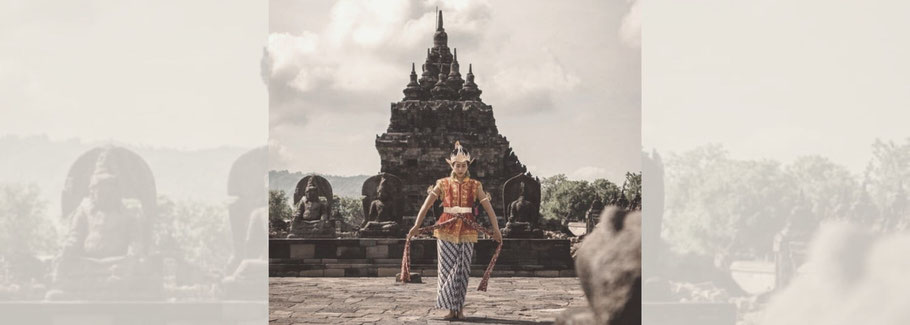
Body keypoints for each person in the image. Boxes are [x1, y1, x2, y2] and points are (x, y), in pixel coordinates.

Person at [407, 141, 503, 321]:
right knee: (446, 270)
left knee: (462, 270)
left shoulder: (476, 185)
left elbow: (489, 208)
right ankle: (450, 309)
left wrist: (496, 229)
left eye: (463, 165)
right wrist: (416, 225)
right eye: (457, 165)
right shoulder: (442, 184)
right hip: (445, 229)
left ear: (468, 166)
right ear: (452, 165)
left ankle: (459, 309)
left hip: (468, 229)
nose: (460, 168)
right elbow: (426, 205)